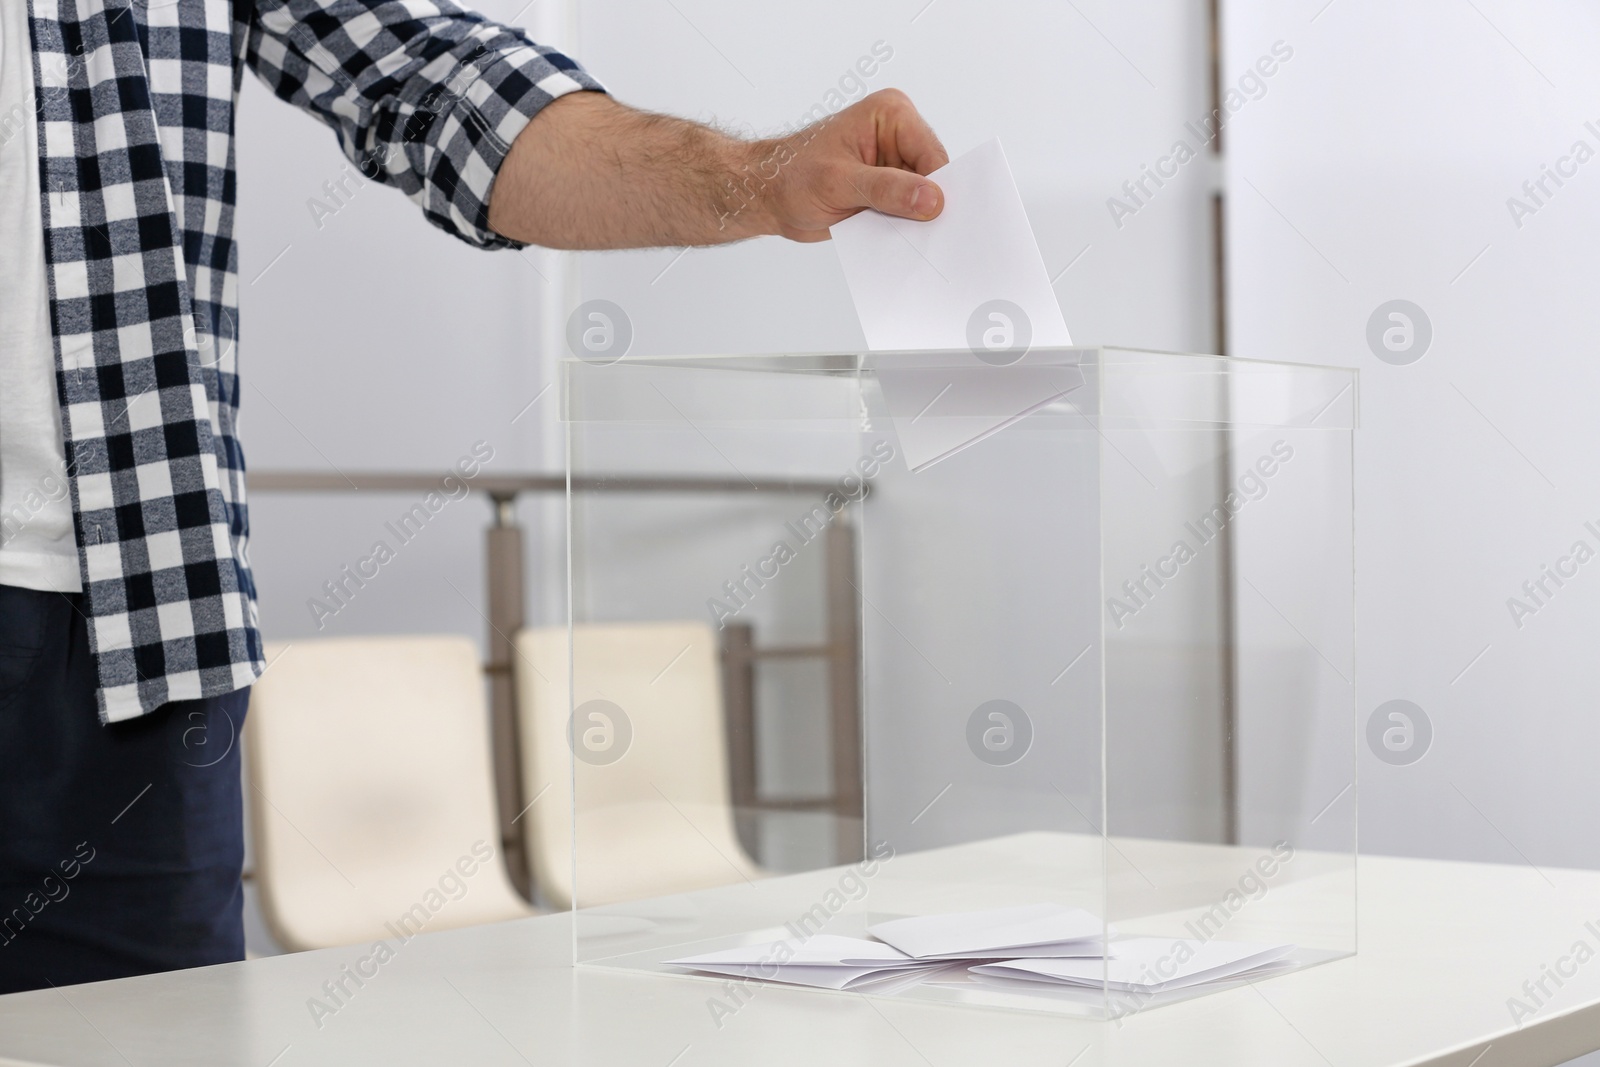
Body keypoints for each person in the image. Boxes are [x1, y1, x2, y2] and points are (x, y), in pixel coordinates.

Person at [0, 0, 946, 994]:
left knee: (151, 1039)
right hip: (125, 633)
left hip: (136, 631)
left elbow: (434, 78)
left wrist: (754, 179)